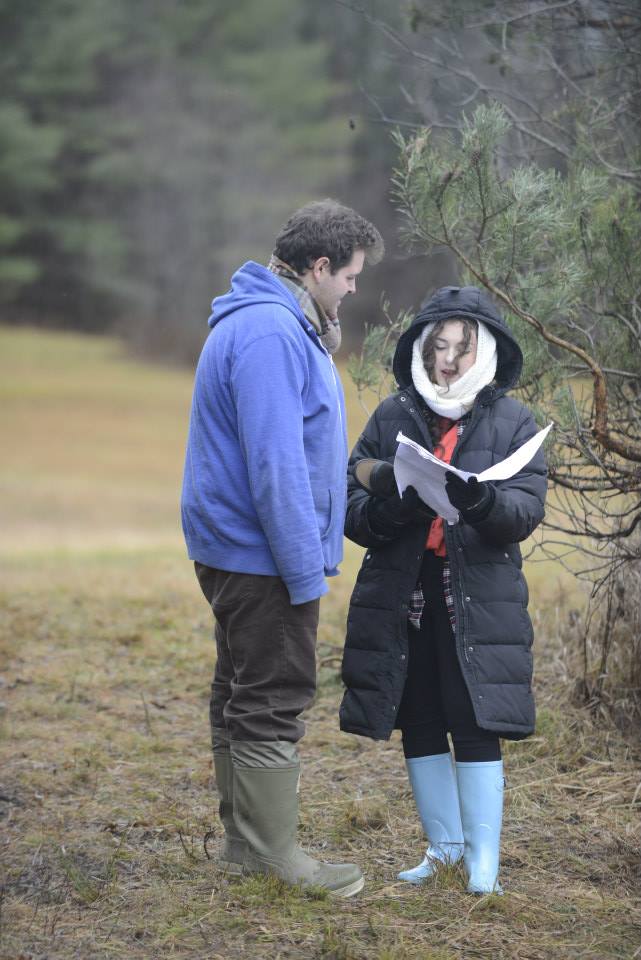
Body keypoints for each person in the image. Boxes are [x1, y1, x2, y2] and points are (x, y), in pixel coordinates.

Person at [181, 199, 383, 897]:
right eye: (350, 276)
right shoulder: (270, 331)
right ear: (319, 266)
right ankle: (270, 853)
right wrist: (304, 571)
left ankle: (245, 843)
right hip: (260, 553)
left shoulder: (281, 322)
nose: (353, 288)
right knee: (274, 690)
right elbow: (274, 464)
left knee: (241, 686)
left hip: (242, 549)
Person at [339, 285, 547, 894]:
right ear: (421, 350)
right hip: (404, 592)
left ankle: (484, 862)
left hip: (478, 598)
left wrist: (480, 501)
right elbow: (351, 506)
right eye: (437, 347)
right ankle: (445, 848)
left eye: (461, 348)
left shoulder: (514, 421)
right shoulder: (393, 414)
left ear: (485, 354)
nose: (447, 361)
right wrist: (394, 510)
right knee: (419, 714)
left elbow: (524, 511)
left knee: (473, 717)